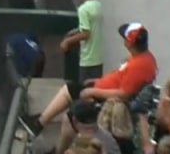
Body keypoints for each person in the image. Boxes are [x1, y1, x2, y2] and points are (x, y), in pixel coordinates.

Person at [22, 23, 158, 141]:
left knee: (71, 98)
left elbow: (123, 94)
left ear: (129, 43)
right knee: (72, 89)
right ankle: (40, 122)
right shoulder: (144, 57)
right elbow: (119, 78)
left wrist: (93, 91)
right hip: (102, 89)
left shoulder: (139, 65)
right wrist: (98, 81)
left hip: (106, 101)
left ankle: (40, 125)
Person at [60, 0, 104, 83]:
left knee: (85, 91)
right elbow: (90, 27)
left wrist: (67, 41)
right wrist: (75, 31)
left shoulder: (83, 9)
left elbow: (86, 34)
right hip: (98, 57)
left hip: (87, 59)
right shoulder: (98, 5)